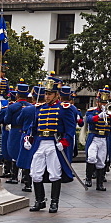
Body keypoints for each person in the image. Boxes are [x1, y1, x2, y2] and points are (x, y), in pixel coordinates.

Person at [20, 82, 75, 213]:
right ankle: (40, 201)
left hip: (54, 144)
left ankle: (54, 202)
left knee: (55, 173)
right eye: (46, 94)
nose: (47, 96)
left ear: (57, 95)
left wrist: (65, 142)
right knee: (35, 173)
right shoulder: (39, 108)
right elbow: (33, 127)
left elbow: (70, 129)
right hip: (40, 143)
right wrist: (28, 138)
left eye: (50, 94)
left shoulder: (63, 109)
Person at [83, 85, 111, 191]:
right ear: (97, 102)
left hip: (103, 138)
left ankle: (100, 183)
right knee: (91, 157)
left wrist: (109, 114)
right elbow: (89, 119)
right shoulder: (91, 111)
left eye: (105, 103)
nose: (104, 105)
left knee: (101, 161)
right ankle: (88, 178)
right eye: (102, 102)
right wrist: (99, 116)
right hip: (94, 137)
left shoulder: (110, 112)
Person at [3, 80, 33, 185]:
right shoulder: (31, 107)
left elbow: (7, 120)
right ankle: (25, 177)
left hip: (15, 131)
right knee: (25, 154)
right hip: (28, 131)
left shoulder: (12, 107)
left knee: (14, 153)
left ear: (17, 94)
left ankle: (14, 176)